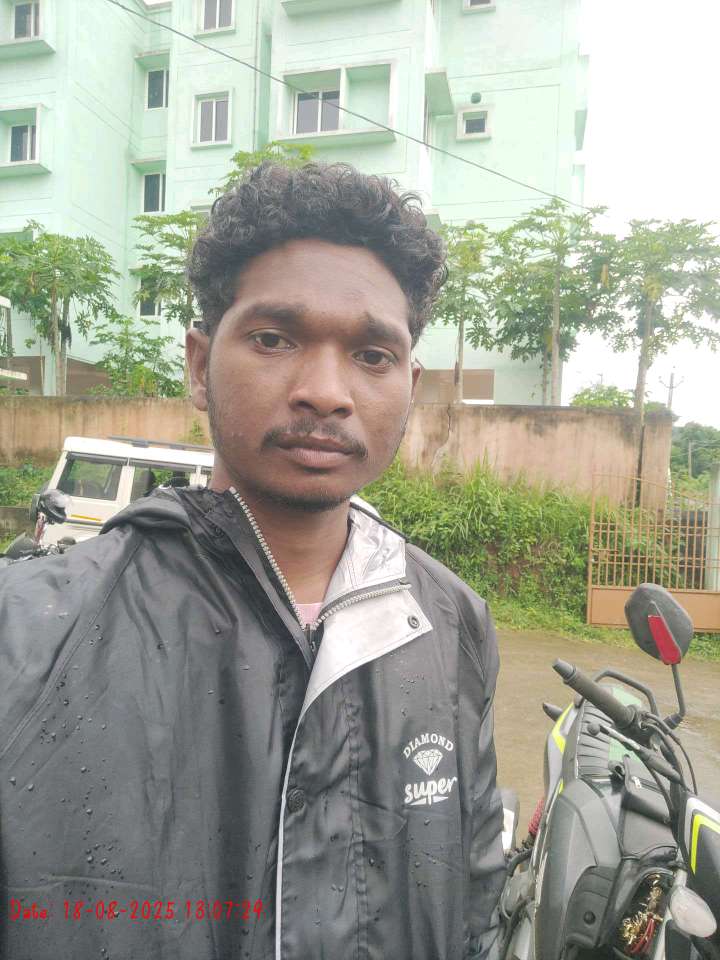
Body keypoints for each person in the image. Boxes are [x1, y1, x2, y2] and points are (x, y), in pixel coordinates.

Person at [0, 162, 505, 960]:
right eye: (274, 339)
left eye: (372, 355)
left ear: (410, 385)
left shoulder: (451, 623)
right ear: (199, 365)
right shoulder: (29, 631)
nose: (326, 391)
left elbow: (472, 900)